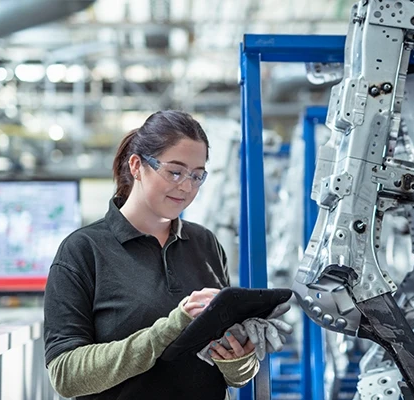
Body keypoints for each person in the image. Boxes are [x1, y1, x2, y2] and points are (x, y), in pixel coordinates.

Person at [44, 110, 263, 400]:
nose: (186, 187)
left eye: (197, 176)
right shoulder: (84, 250)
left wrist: (239, 359)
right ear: (137, 166)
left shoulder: (205, 243)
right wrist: (168, 330)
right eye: (174, 171)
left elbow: (232, 376)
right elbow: (65, 375)